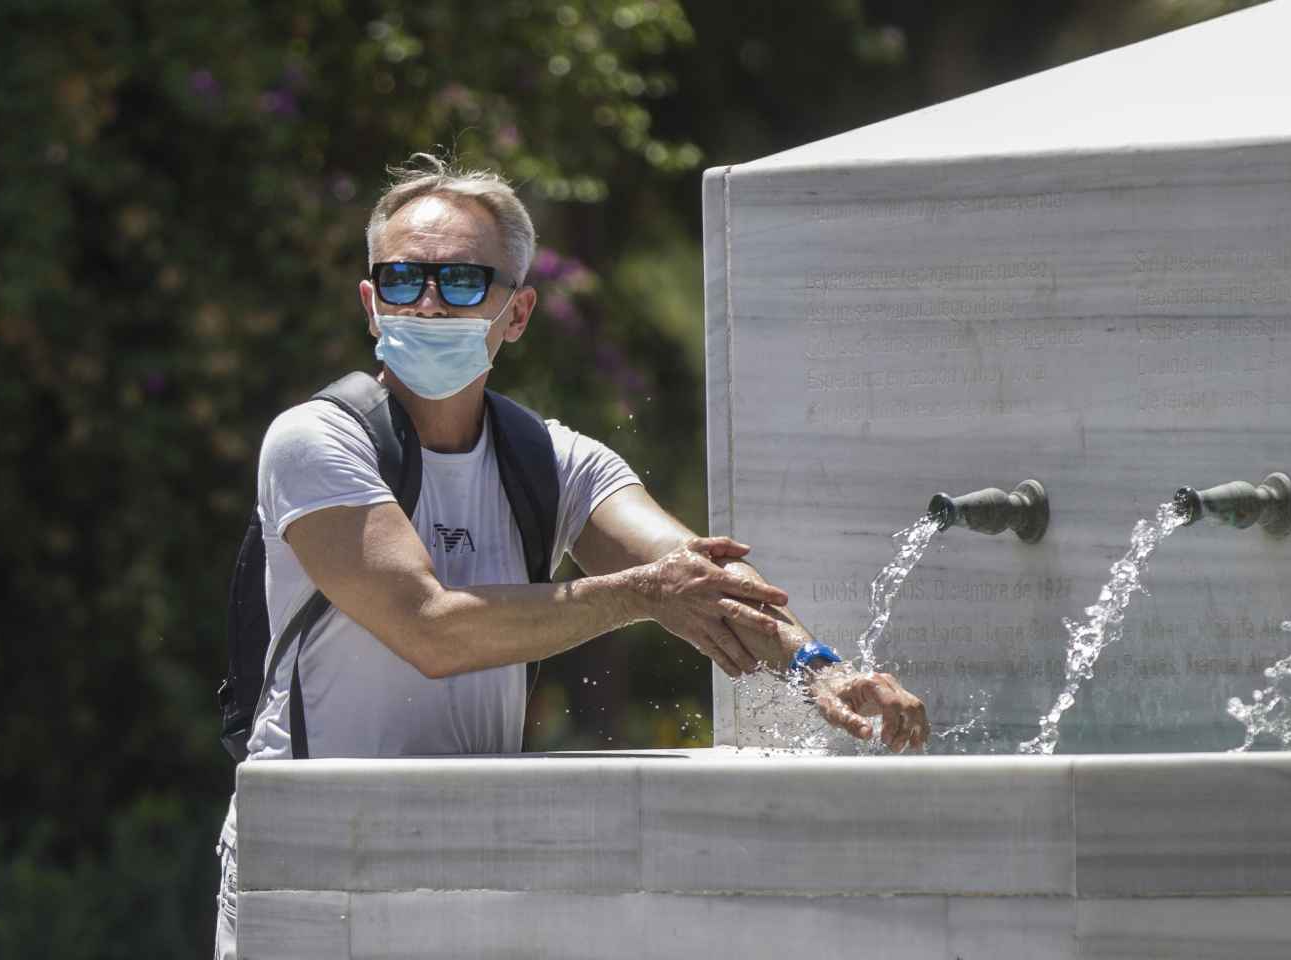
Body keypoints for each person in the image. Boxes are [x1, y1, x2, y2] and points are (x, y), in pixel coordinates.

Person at [213, 154, 929, 958]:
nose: (426, 300)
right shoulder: (317, 439)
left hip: (476, 851)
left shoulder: (547, 459)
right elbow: (429, 630)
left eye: (459, 282)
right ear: (370, 303)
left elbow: (698, 575)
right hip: (310, 849)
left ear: (516, 313)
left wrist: (820, 665)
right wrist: (641, 595)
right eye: (403, 277)